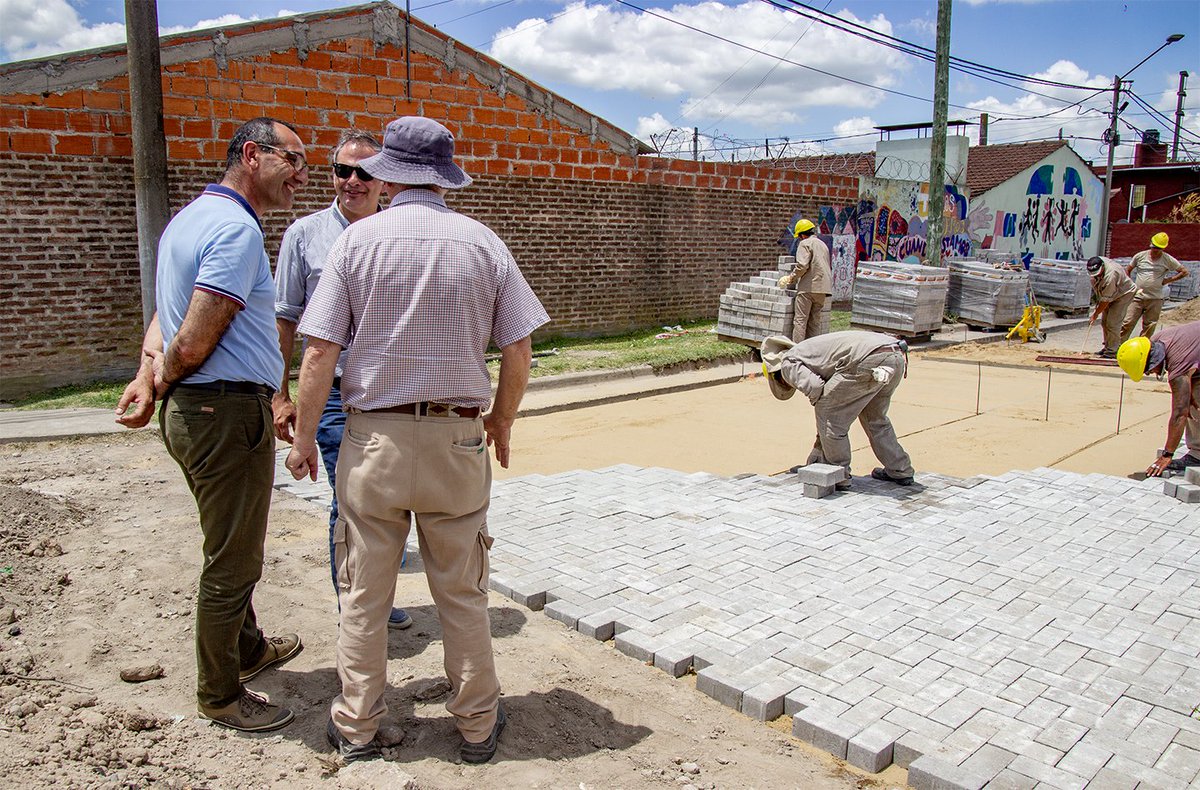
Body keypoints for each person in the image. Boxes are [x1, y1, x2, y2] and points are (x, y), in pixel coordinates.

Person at [284, 116, 549, 764]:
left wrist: (304, 438)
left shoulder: (356, 243)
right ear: (443, 174)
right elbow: (519, 350)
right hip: (457, 440)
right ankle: (477, 725)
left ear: (389, 175)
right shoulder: (483, 244)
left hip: (373, 440)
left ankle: (356, 725)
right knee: (461, 592)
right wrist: (501, 422)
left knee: (366, 595)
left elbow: (320, 353)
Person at [112, 117, 308, 732]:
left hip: (200, 410)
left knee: (230, 538)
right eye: (293, 160)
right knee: (234, 560)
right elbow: (194, 337)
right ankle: (220, 694)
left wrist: (147, 378)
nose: (302, 174)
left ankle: (247, 650)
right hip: (220, 410)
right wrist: (163, 377)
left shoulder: (190, 220)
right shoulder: (234, 228)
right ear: (252, 156)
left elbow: (161, 315)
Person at [272, 130, 413, 631]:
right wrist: (281, 393)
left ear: (385, 180)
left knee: (391, 497)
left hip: (389, 394)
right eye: (341, 170)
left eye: (364, 172)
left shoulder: (401, 232)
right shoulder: (305, 235)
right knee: (350, 498)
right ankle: (356, 606)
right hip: (332, 394)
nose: (351, 181)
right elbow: (285, 318)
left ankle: (376, 588)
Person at [759, 331, 915, 490]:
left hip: (867, 359)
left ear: (775, 375)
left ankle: (838, 473)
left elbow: (816, 389)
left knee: (830, 417)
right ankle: (900, 469)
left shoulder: (788, 363)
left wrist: (824, 417)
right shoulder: (810, 354)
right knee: (875, 419)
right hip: (895, 356)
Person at [1117, 321, 1200, 477]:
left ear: (1154, 361)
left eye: (1147, 370)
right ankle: (1197, 455)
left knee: (1184, 406)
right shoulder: (1156, 341)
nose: (1149, 374)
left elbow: (1179, 414)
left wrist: (1167, 455)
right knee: (1192, 398)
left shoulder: (1178, 364)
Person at [1121, 232, 1187, 342]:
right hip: (1137, 297)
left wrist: (1168, 280)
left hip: (1155, 299)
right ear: (1150, 244)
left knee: (1149, 326)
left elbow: (1184, 272)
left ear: (1163, 248)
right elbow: (1128, 269)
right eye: (1154, 247)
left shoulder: (1167, 259)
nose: (1155, 250)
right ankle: (1117, 347)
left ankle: (1142, 348)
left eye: (1158, 248)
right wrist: (1130, 284)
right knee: (1127, 322)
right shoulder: (1140, 256)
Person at [777, 219, 832, 343]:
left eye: (799, 237)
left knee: (800, 320)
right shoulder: (822, 244)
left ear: (802, 235)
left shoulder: (805, 243)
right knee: (814, 323)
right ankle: (812, 352)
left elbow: (802, 265)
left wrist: (790, 278)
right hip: (823, 288)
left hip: (808, 287)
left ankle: (796, 351)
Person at [1086, 256, 1135, 359]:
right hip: (1111, 293)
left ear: (1102, 267)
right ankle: (1107, 347)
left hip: (1123, 294)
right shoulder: (1097, 262)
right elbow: (1102, 297)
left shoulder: (1111, 276)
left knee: (1113, 323)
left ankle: (1112, 351)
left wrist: (1095, 315)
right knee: (1104, 322)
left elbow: (1105, 301)